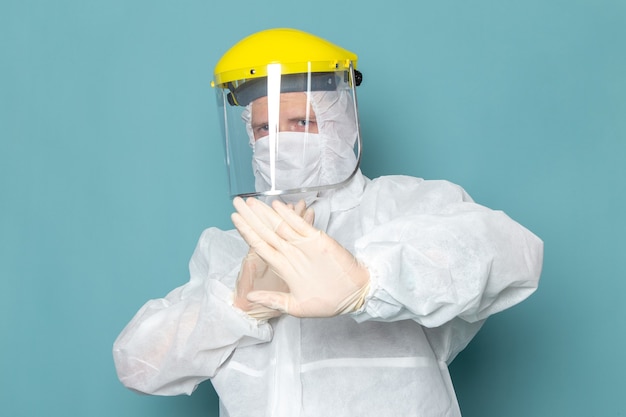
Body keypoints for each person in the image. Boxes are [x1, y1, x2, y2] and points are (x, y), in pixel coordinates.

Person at [113, 28, 543, 417]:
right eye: (264, 128)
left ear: (342, 124)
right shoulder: (228, 250)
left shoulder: (403, 206)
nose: (278, 142)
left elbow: (511, 254)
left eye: (302, 122)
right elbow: (137, 363)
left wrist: (368, 284)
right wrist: (231, 308)